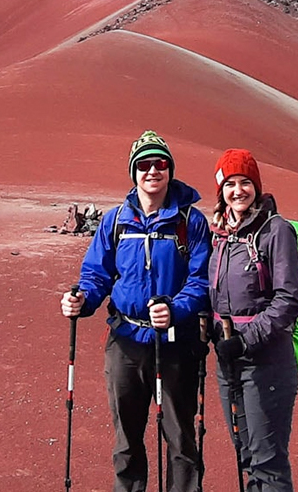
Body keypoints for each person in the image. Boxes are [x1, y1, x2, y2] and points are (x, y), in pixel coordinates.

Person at [60, 130, 211, 492]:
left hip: (176, 344)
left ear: (170, 170)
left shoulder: (190, 222)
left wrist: (175, 309)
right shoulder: (116, 222)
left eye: (160, 164)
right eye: (144, 165)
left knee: (180, 440)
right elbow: (97, 273)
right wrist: (82, 301)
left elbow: (202, 281)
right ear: (133, 172)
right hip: (125, 342)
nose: (152, 171)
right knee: (126, 442)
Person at [207, 149, 298, 491]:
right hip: (228, 360)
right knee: (246, 454)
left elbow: (288, 300)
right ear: (221, 190)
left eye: (245, 182)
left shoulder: (276, 231)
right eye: (230, 184)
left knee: (267, 462)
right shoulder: (220, 234)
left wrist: (246, 340)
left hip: (266, 363)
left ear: (257, 186)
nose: (238, 191)